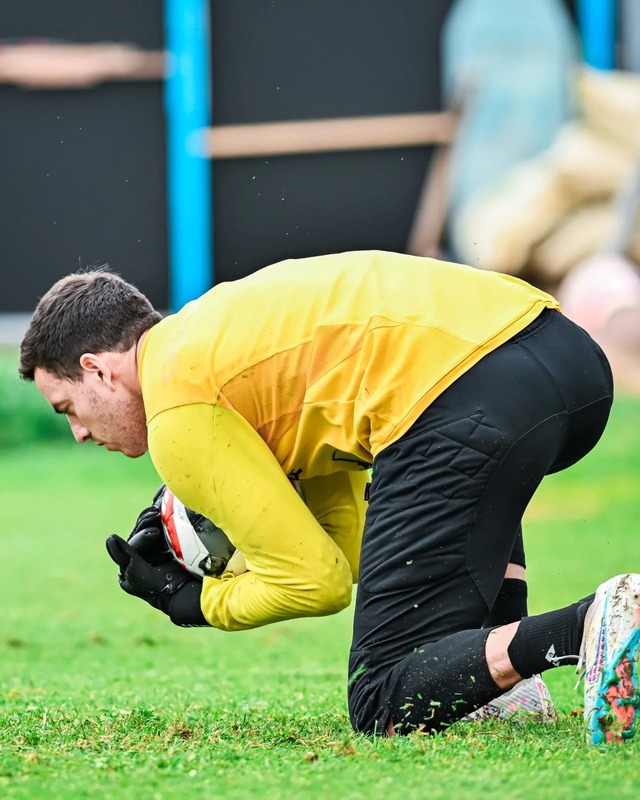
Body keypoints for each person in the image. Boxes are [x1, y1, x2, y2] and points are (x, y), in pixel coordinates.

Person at [19, 250, 640, 744]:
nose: (77, 432)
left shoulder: (177, 414)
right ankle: (503, 685)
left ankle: (593, 622)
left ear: (99, 369)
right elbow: (356, 548)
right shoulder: (219, 338)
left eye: (68, 407)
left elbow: (315, 581)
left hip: (467, 395)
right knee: (461, 489)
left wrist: (199, 603)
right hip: (566, 358)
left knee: (383, 699)